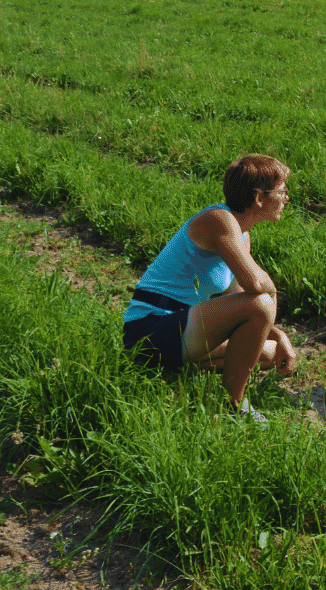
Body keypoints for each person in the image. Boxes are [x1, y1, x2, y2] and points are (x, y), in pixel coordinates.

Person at [123, 153, 297, 416]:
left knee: (270, 353)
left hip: (181, 330)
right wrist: (271, 291)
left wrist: (278, 335)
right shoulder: (218, 219)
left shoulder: (242, 237)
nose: (286, 198)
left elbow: (238, 302)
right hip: (150, 329)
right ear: (260, 197)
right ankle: (232, 406)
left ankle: (172, 370)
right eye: (282, 191)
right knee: (261, 304)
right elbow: (254, 284)